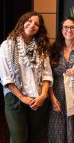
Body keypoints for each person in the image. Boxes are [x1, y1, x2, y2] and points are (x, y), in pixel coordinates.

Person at [0, 11, 53, 143]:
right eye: (29, 21)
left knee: (35, 138)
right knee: (19, 139)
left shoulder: (42, 47)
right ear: (22, 22)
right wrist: (23, 98)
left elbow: (47, 74)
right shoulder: (7, 45)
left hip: (38, 98)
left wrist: (43, 96)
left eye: (36, 24)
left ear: (39, 29)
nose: (32, 25)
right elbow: (6, 77)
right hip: (15, 97)